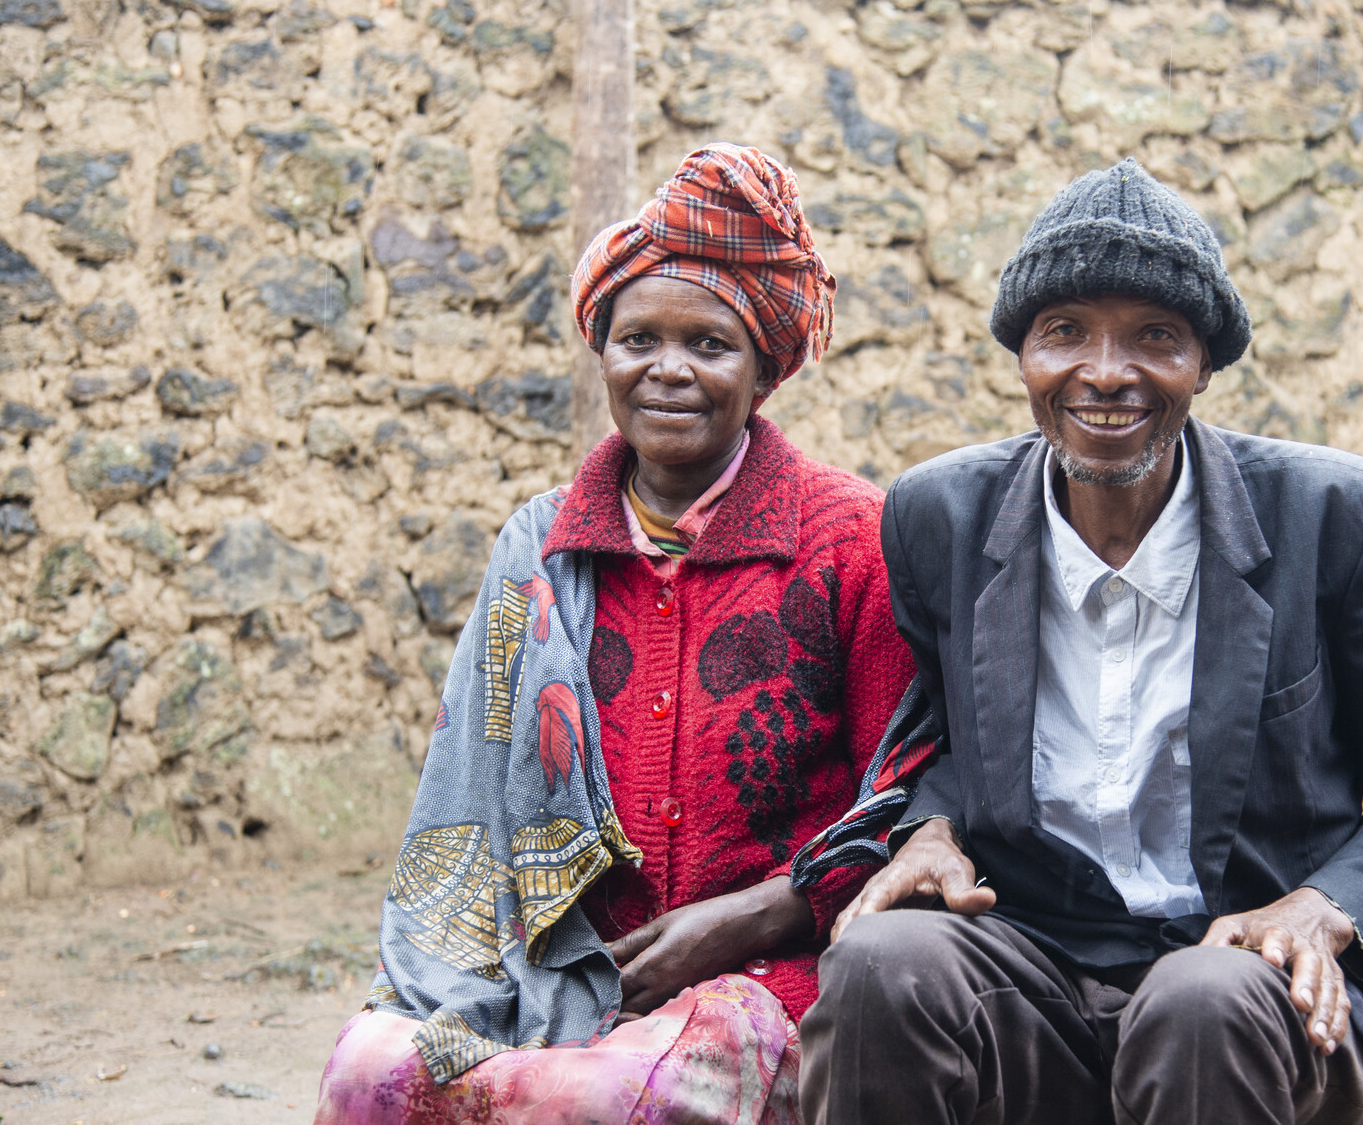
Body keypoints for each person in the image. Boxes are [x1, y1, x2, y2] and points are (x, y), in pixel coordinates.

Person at [801, 159, 1363, 1125]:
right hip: (1038, 967)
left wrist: (1323, 904)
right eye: (1065, 333)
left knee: (1200, 999)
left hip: (1252, 982)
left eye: (1154, 337)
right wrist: (929, 828)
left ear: (1204, 364)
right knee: (883, 964)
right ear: (1022, 356)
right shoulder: (940, 518)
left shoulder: (1339, 518)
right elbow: (949, 744)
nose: (1104, 371)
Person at [316, 143, 917, 1125]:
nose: (668, 368)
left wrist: (772, 910)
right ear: (602, 352)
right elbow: (476, 793)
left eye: (709, 345)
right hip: (556, 972)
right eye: (638, 339)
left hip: (771, 978)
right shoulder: (540, 549)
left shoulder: (851, 543)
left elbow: (905, 796)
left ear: (764, 365)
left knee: (618, 1096)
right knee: (372, 1069)